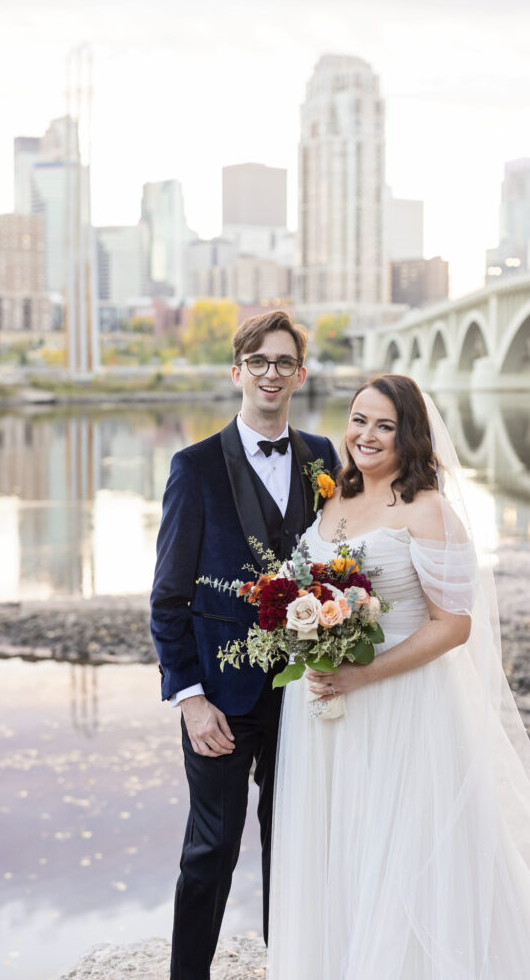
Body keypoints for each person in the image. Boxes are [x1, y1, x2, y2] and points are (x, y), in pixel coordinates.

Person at [267, 373, 530, 980]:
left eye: (385, 425)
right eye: (359, 420)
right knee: (338, 845)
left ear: (412, 435)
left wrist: (362, 673)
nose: (366, 436)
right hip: (323, 706)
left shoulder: (430, 511)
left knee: (401, 852)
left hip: (403, 706)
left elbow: (453, 625)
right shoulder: (334, 497)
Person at [150, 310, 340, 980]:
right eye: (257, 361)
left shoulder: (324, 457)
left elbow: (341, 563)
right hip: (221, 702)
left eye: (283, 362)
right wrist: (191, 700)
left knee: (293, 847)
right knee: (210, 850)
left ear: (300, 374)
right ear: (237, 371)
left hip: (304, 694)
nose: (270, 373)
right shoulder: (193, 467)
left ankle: (290, 967)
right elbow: (168, 599)